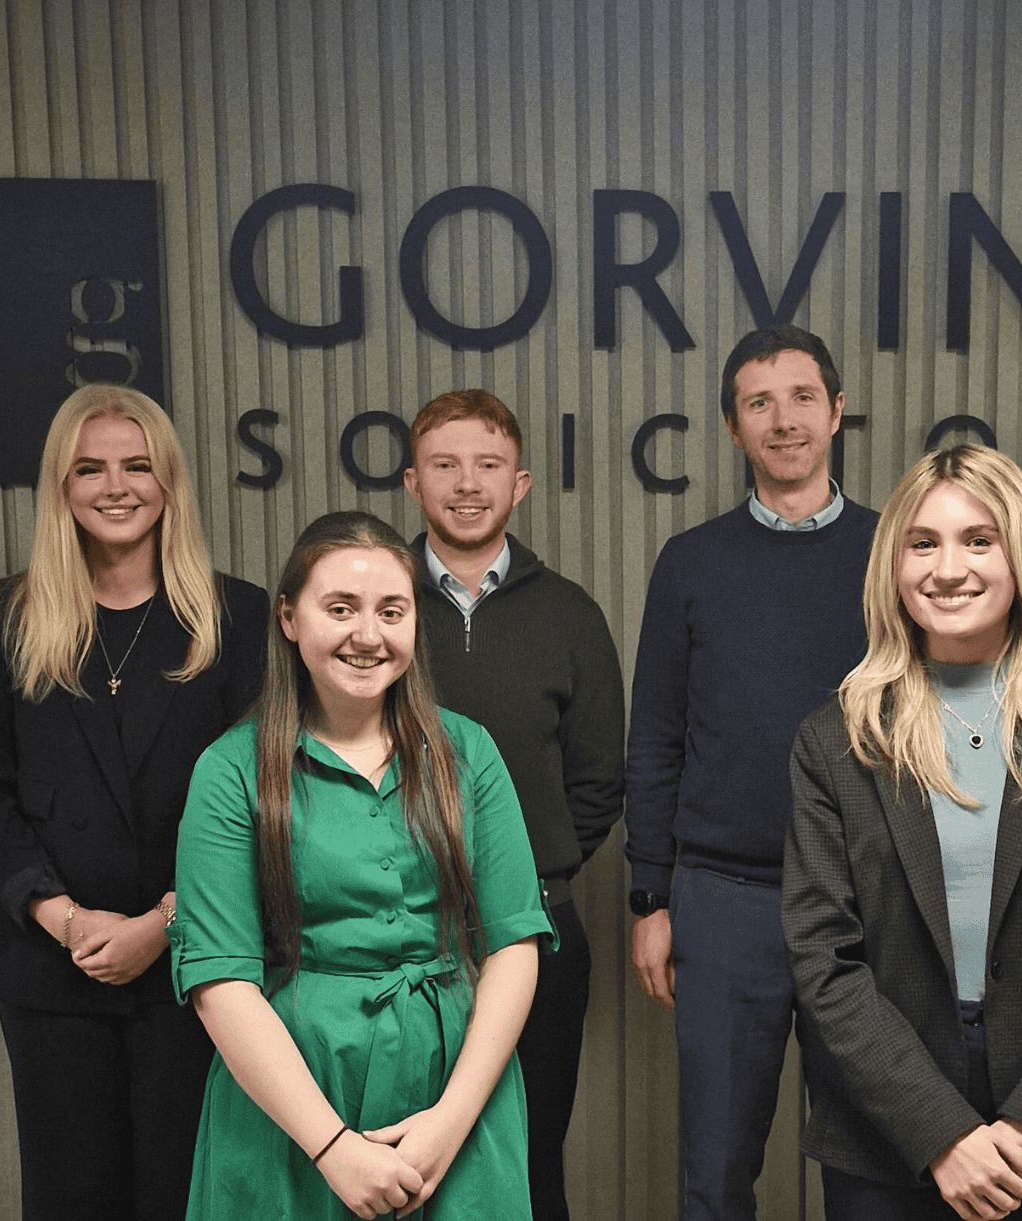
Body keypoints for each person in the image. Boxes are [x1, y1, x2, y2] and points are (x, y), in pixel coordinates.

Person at [782, 444, 1022, 1221]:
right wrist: (941, 1134)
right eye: (923, 543)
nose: (948, 568)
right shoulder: (836, 741)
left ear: (1019, 553)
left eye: (977, 540)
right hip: (889, 1131)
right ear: (893, 564)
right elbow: (825, 962)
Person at [171, 510, 554, 1221]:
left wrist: (448, 1124)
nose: (367, 635)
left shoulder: (469, 753)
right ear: (289, 616)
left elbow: (514, 943)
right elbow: (220, 978)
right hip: (293, 1098)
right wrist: (332, 1146)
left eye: (391, 610)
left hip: (457, 1086)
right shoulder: (230, 771)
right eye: (339, 608)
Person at [0, 384, 269, 1221]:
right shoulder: (3, 617)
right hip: (53, 968)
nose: (115, 485)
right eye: (90, 467)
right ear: (61, 485)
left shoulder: (237, 616)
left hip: (198, 966)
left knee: (184, 1193)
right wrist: (63, 919)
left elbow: (265, 796)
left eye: (137, 465)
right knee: (71, 1197)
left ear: (169, 483)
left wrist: (162, 924)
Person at [624, 324, 878, 1220]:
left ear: (838, 412)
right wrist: (651, 899)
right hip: (725, 901)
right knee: (718, 1172)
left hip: (868, 902)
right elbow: (654, 736)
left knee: (874, 1167)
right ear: (734, 428)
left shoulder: (896, 558)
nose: (783, 420)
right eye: (758, 403)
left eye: (803, 397)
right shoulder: (692, 562)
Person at [403, 389, 625, 1221]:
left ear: (521, 482)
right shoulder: (375, 605)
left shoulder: (570, 615)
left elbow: (600, 782)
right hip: (389, 934)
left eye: (488, 465)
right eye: (446, 465)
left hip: (535, 927)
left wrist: (520, 873)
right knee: (399, 1152)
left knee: (527, 1160)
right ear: (413, 481)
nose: (468, 483)